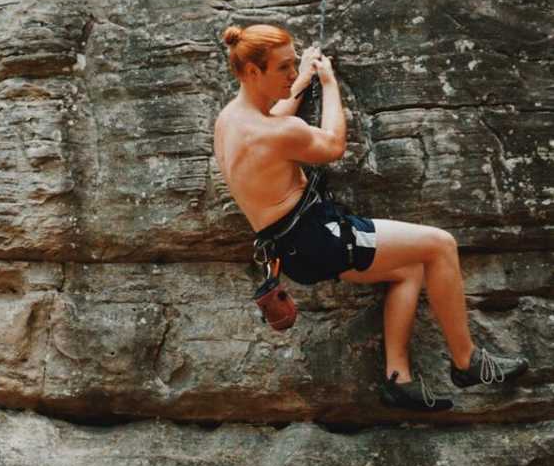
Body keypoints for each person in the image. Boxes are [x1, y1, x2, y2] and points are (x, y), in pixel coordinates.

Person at [213, 23, 530, 412]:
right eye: (284, 68)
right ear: (252, 72)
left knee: (408, 270)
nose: (293, 74)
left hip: (292, 248)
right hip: (322, 236)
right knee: (440, 245)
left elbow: (273, 115)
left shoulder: (230, 119)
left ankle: (398, 379)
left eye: (295, 64)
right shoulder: (278, 132)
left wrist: (300, 81)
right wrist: (327, 83)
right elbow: (331, 144)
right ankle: (467, 361)